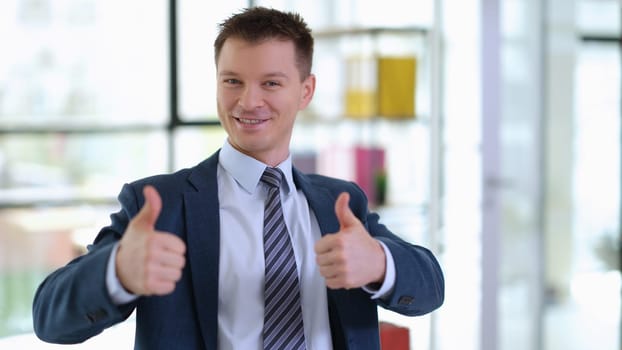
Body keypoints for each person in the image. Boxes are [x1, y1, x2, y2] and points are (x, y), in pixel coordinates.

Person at [32, 6, 444, 350]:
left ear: (305, 91)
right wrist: (116, 270)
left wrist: (378, 262)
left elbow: (430, 288)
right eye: (233, 81)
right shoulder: (159, 203)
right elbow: (49, 318)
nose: (248, 101)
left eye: (271, 83)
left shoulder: (341, 203)